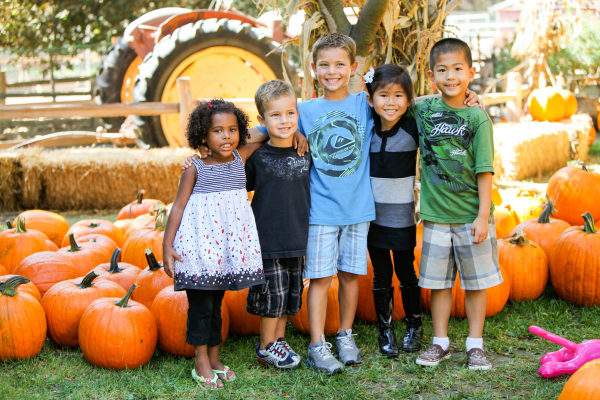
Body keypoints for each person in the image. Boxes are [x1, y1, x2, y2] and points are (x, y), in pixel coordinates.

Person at [411, 38, 502, 371]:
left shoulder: (478, 118)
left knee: (476, 283)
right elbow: (396, 101)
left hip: (471, 215)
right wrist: (434, 95)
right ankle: (440, 342)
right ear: (432, 75)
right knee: (438, 282)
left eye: (458, 69)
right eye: (442, 70)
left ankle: (475, 344)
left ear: (471, 72)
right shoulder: (425, 109)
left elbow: (485, 168)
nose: (451, 76)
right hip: (436, 215)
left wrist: (482, 216)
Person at [162, 99, 265, 389]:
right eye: (217, 131)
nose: (227, 136)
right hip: (197, 249)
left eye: (233, 130)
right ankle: (200, 361)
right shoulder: (195, 167)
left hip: (225, 251)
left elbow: (267, 131)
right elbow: (178, 208)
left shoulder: (239, 158)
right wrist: (167, 245)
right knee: (201, 307)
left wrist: (296, 135)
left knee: (217, 306)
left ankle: (215, 358)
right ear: (202, 136)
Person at [244, 80, 311, 369]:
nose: (284, 120)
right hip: (266, 238)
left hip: (297, 236)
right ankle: (265, 346)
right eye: (275, 115)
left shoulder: (305, 150)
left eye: (290, 114)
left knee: (288, 296)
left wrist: (299, 133)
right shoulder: (258, 156)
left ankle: (279, 341)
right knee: (271, 297)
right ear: (262, 120)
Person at [363, 64, 423, 357]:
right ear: (370, 98)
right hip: (373, 218)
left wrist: (470, 97)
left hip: (401, 217)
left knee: (406, 270)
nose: (391, 102)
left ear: (409, 100)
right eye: (383, 95)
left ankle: (415, 324)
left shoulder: (412, 127)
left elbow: (433, 104)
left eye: (399, 95)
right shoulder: (365, 129)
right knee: (381, 274)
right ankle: (385, 330)